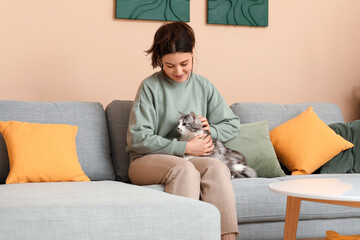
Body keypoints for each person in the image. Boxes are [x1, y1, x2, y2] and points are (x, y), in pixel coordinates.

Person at [126, 21, 240, 240]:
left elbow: (232, 124)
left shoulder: (204, 86)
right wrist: (184, 146)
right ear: (160, 61)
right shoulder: (150, 87)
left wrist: (211, 130)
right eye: (169, 65)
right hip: (146, 161)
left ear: (192, 53)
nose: (178, 71)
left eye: (184, 63)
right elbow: (137, 138)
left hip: (189, 157)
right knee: (184, 170)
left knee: (216, 167)